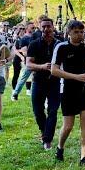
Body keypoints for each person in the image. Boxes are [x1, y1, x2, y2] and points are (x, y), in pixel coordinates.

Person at [51, 20, 85, 165]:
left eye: (82, 32)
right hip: (67, 88)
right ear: (68, 32)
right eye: (76, 32)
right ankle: (60, 147)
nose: (80, 35)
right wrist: (76, 77)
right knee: (68, 125)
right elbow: (54, 70)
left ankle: (84, 157)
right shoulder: (61, 47)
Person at [26, 17, 61, 150]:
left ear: (53, 27)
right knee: (38, 110)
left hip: (55, 82)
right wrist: (43, 66)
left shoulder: (59, 44)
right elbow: (28, 64)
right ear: (40, 28)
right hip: (38, 81)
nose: (46, 29)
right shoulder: (34, 44)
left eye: (49, 26)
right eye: (44, 26)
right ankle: (44, 132)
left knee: (53, 110)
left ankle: (47, 139)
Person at [11, 21, 35, 100]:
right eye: (32, 27)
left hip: (37, 62)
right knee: (24, 77)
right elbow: (24, 52)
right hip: (29, 62)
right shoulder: (24, 39)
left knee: (37, 79)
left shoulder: (35, 37)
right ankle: (15, 93)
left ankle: (35, 94)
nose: (33, 28)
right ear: (27, 28)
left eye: (34, 27)